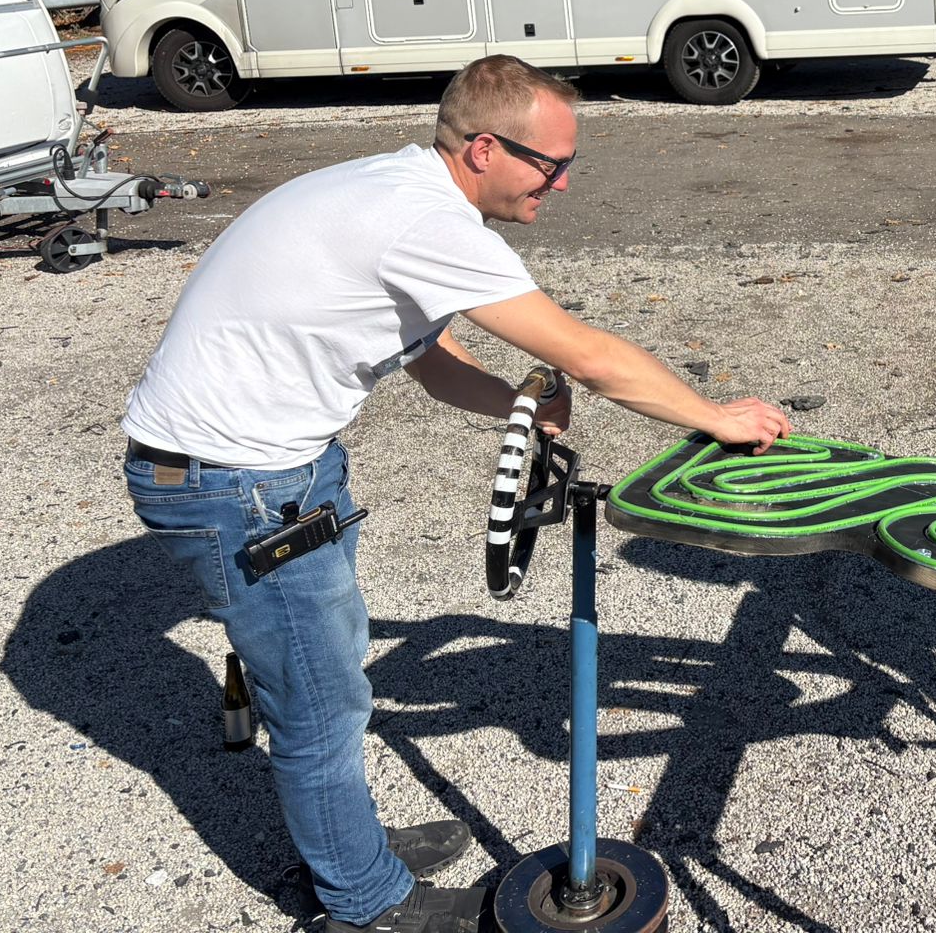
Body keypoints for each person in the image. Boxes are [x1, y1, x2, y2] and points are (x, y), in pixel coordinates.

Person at [121, 56, 793, 933]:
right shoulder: (421, 221)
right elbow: (587, 354)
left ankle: (346, 843)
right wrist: (715, 416)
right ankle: (365, 906)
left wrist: (518, 405)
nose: (558, 184)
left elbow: (430, 359)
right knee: (321, 708)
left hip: (265, 468)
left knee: (334, 670)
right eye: (550, 165)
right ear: (484, 147)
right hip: (236, 483)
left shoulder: (394, 189)